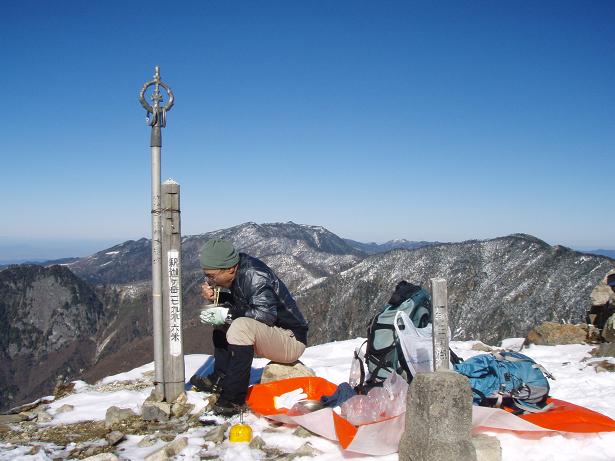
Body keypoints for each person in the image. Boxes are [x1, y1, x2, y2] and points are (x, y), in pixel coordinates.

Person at [189, 239, 309, 416]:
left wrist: (227, 314)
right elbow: (243, 301)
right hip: (275, 335)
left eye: (212, 276)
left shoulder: (254, 275)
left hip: (291, 339)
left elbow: (265, 315)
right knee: (224, 320)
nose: (209, 280)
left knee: (239, 325)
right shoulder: (238, 271)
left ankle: (233, 399)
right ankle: (220, 378)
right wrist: (217, 296)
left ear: (229, 268)